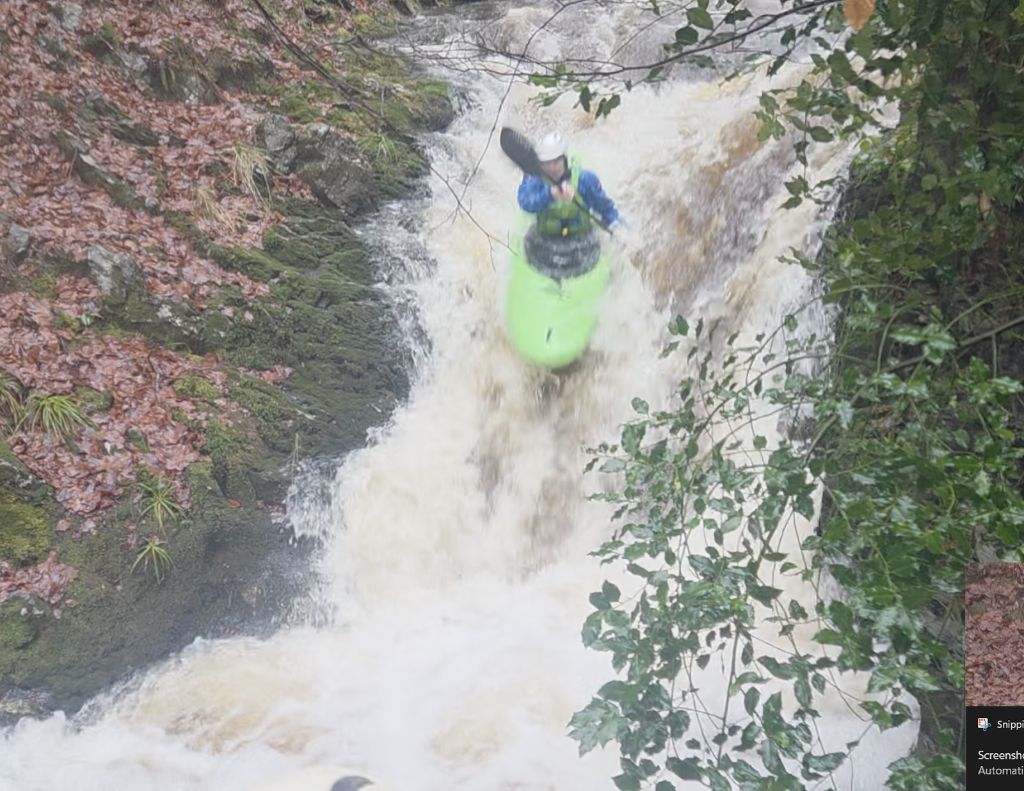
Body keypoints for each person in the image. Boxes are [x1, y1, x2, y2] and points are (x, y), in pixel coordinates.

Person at [516, 132, 622, 238]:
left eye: (557, 161)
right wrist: (549, 195)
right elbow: (525, 203)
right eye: (547, 163)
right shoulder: (534, 180)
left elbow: (606, 209)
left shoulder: (585, 180)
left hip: (582, 239)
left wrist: (617, 227)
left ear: (565, 160)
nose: (552, 168)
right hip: (545, 240)